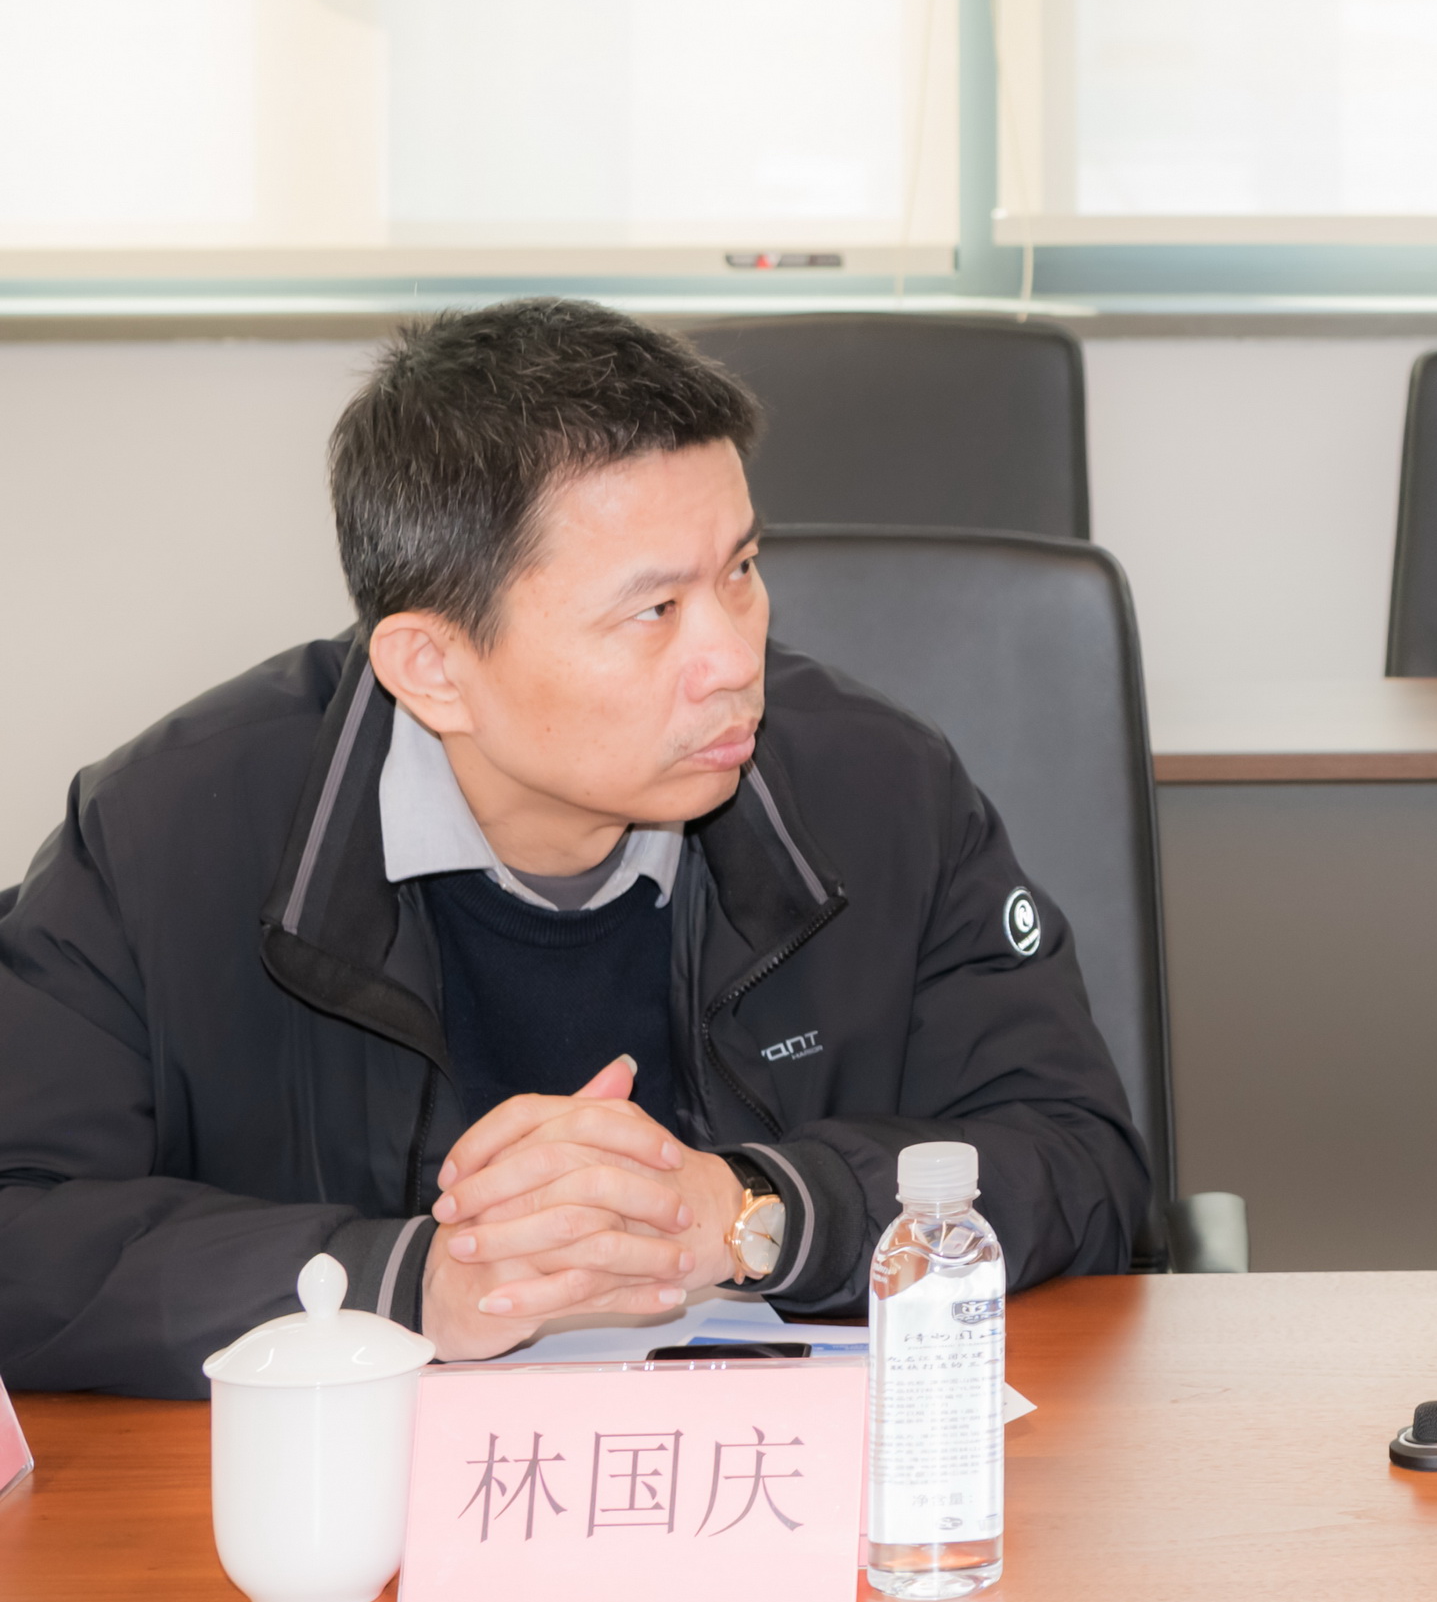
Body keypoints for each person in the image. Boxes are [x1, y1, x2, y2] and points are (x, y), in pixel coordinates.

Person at [0, 300, 1148, 1397]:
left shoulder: (881, 791)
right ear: (432, 669)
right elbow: (21, 1221)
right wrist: (406, 1286)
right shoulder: (168, 839)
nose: (733, 660)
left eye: (741, 572)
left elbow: (1083, 1163)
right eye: (654, 612)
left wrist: (755, 1213)